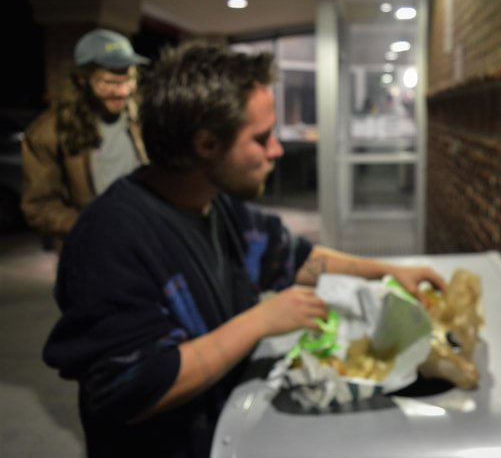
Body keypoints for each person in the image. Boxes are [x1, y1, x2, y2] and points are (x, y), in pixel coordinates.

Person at [42, 41, 446, 458]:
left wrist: (387, 272)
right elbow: (134, 388)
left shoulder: (216, 206)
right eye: (261, 138)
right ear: (206, 144)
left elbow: (294, 258)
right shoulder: (110, 238)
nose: (277, 150)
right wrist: (260, 321)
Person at [20, 28, 149, 251]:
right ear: (82, 79)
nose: (122, 91)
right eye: (109, 82)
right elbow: (38, 206)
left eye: (128, 79)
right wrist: (92, 226)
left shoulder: (144, 116)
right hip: (93, 249)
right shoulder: (48, 132)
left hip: (147, 240)